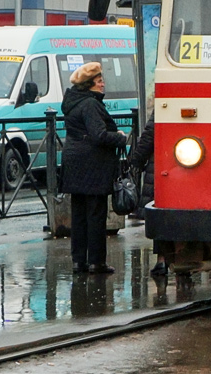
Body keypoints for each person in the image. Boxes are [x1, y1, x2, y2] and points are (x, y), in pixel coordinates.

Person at [61, 62, 126, 275]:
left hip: (74, 163)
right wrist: (120, 137)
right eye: (99, 81)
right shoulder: (90, 104)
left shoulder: (73, 102)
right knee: (96, 215)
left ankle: (78, 261)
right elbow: (99, 135)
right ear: (90, 84)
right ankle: (96, 262)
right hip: (92, 165)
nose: (102, 84)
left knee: (79, 215)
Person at [127, 114, 169, 276]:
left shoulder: (165, 100)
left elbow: (149, 135)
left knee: (161, 210)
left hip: (161, 165)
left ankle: (162, 259)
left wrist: (136, 161)